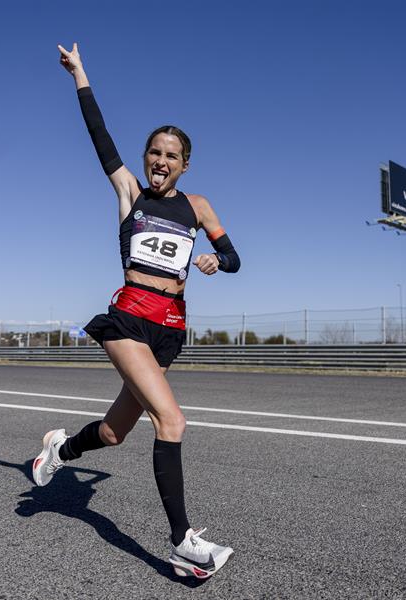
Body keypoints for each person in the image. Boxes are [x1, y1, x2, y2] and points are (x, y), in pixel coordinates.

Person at [31, 43, 241, 579]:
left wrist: (216, 258)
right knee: (171, 420)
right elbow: (99, 137)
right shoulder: (131, 193)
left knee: (113, 434)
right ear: (145, 157)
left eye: (171, 155)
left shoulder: (198, 206)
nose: (160, 161)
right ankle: (183, 544)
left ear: (184, 164)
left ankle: (59, 449)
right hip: (126, 320)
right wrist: (80, 75)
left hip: (168, 329)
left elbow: (235, 258)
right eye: (154, 152)